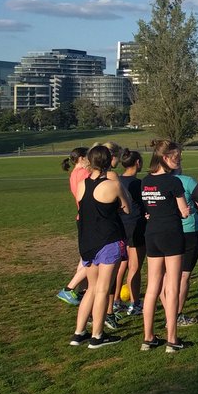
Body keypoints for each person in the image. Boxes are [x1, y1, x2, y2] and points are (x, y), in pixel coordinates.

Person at [70, 145, 129, 348]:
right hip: (108, 240)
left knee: (91, 289)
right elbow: (127, 208)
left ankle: (79, 333)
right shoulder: (112, 185)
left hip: (87, 241)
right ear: (108, 161)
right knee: (103, 289)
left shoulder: (82, 184)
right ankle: (97, 335)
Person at [139, 140, 192, 352]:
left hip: (151, 234)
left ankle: (148, 337)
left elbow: (148, 209)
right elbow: (184, 211)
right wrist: (188, 210)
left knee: (152, 287)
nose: (179, 161)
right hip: (171, 234)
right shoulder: (173, 182)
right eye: (176, 157)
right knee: (172, 286)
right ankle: (172, 339)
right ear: (165, 158)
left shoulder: (145, 181)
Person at [57, 147, 91, 306]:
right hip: (89, 219)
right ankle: (69, 288)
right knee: (94, 258)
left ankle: (82, 292)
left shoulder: (74, 173)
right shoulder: (84, 173)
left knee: (85, 258)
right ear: (82, 158)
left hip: (82, 217)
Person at [174, 157, 198, 326]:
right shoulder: (186, 181)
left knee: (167, 276)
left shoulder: (156, 181)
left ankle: (170, 312)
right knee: (184, 275)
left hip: (168, 231)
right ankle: (177, 314)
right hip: (189, 230)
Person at [117, 150, 146, 314]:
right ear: (137, 163)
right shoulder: (137, 184)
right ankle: (135, 304)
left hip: (121, 226)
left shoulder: (117, 180)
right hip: (136, 226)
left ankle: (116, 300)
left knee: (122, 265)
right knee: (134, 267)